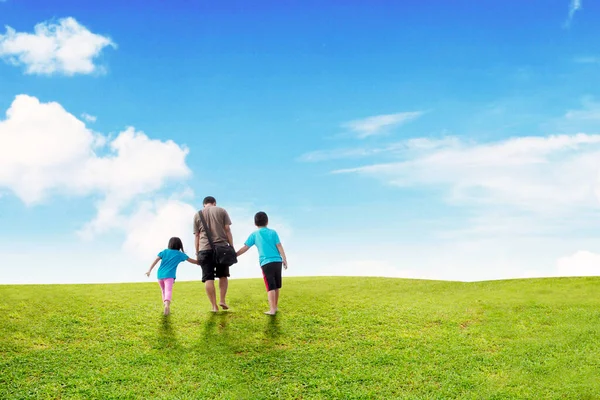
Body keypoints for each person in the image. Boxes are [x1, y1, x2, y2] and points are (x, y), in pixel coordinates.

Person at [236, 211, 288, 315]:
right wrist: (284, 259)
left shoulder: (254, 234)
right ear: (267, 221)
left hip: (266, 263)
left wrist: (235, 255)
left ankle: (272, 310)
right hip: (277, 261)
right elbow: (279, 246)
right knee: (276, 286)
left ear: (255, 223)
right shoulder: (273, 232)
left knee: (270, 287)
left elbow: (245, 247)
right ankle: (275, 307)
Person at [193, 196, 234, 312]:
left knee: (208, 278)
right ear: (214, 203)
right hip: (222, 248)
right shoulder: (221, 210)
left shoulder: (197, 214)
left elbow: (197, 235)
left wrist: (197, 252)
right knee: (223, 275)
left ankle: (214, 306)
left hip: (204, 249)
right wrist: (231, 246)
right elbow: (227, 230)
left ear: (204, 204)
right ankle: (222, 300)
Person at [145, 237, 198, 315]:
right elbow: (194, 261)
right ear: (180, 245)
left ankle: (165, 305)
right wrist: (200, 259)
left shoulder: (164, 252)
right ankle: (167, 306)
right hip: (169, 275)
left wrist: (149, 270)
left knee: (163, 290)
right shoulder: (180, 254)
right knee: (168, 290)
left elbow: (155, 261)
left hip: (160, 274)